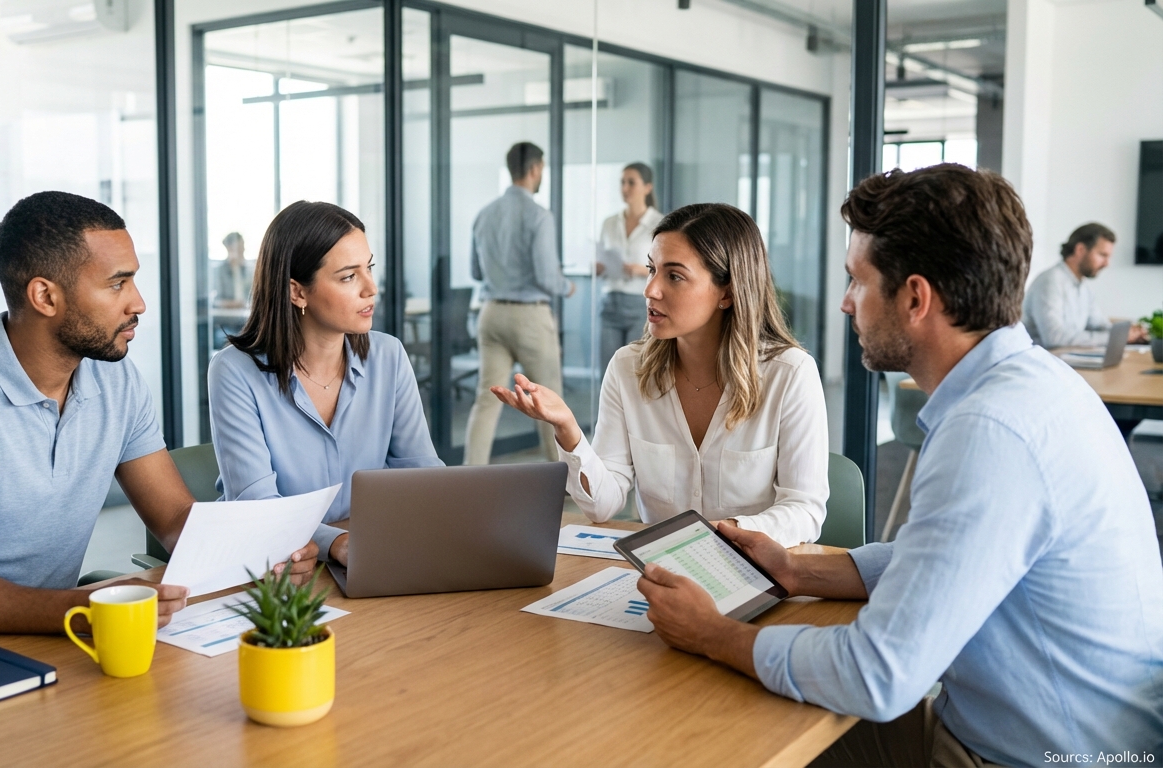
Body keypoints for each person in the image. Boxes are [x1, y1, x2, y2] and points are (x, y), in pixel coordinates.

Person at [637, 165, 1163, 767]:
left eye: (857, 281)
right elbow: (942, 555)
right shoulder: (1034, 384)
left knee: (716, 732)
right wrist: (800, 572)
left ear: (915, 297)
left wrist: (713, 634)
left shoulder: (988, 433)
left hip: (1029, 755)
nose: (844, 302)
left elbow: (877, 675)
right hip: (1068, 732)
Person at [0, 191, 319, 636]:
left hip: (47, 637)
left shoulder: (115, 382)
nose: (138, 302)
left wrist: (261, 558)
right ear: (45, 296)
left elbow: (177, 520)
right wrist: (75, 608)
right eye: (117, 283)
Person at [493, 203, 828, 547]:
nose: (650, 289)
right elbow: (603, 505)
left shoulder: (790, 375)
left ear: (727, 292)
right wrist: (568, 429)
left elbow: (805, 511)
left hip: (753, 573)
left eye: (674, 276)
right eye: (652, 269)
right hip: (659, 579)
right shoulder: (628, 368)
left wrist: (720, 534)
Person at [208, 201, 442, 566]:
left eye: (370, 268)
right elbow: (259, 509)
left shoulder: (388, 356)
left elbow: (423, 476)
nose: (371, 289)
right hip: (276, 567)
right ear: (297, 292)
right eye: (349, 277)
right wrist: (337, 542)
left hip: (370, 551)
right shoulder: (234, 372)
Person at [465, 141, 575, 465]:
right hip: (530, 317)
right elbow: (546, 276)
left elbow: (475, 270)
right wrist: (567, 287)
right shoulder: (539, 215)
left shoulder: (484, 214)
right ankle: (562, 479)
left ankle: (468, 477)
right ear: (535, 169)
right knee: (549, 400)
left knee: (487, 401)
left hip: (492, 313)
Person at [1022, 222, 1147, 348]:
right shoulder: (1050, 281)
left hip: (1066, 360)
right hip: (1047, 362)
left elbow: (1098, 324)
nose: (1107, 264)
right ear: (1080, 250)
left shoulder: (1083, 287)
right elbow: (1055, 338)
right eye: (1102, 255)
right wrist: (1116, 338)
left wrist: (1127, 333)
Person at [595, 162, 663, 374]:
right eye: (622, 182)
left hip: (639, 304)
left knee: (636, 370)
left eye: (631, 183)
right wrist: (599, 267)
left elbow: (665, 268)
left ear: (647, 187)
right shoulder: (609, 223)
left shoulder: (659, 224)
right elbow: (600, 258)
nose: (625, 188)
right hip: (610, 302)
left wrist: (640, 270)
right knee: (609, 371)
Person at [215, 231, 252, 309]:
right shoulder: (220, 271)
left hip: (244, 313)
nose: (243, 250)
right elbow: (215, 302)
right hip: (226, 317)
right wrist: (233, 304)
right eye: (240, 247)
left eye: (243, 247)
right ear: (230, 249)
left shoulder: (247, 270)